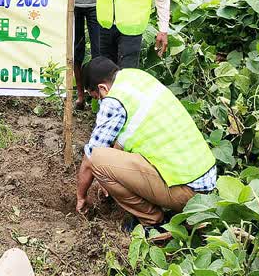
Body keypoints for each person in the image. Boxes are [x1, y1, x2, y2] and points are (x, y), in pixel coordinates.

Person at [76, 57, 217, 239]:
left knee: (98, 160)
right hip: (205, 185)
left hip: (188, 192)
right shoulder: (136, 77)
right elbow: (122, 142)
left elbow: (92, 158)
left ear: (103, 88)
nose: (100, 101)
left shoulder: (113, 100)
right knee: (105, 162)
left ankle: (154, 223)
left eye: (97, 97)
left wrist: (81, 196)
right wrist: (110, 178)